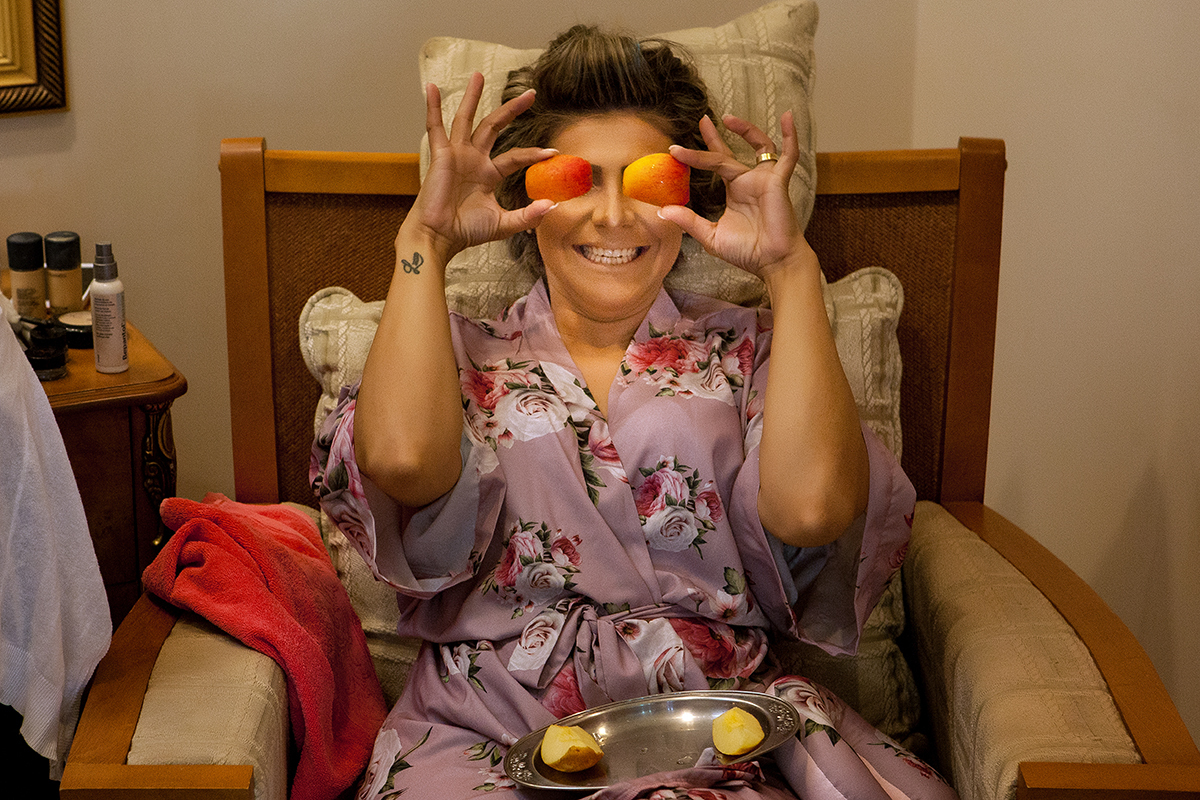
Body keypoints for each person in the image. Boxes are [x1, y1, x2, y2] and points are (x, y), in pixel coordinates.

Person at [312, 25, 957, 800]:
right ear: (529, 200)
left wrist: (790, 269)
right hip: (485, 726)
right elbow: (401, 460)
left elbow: (814, 509)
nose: (613, 214)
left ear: (688, 199)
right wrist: (424, 241)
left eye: (650, 181)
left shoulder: (748, 350)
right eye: (576, 180)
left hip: (710, 724)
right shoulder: (454, 353)